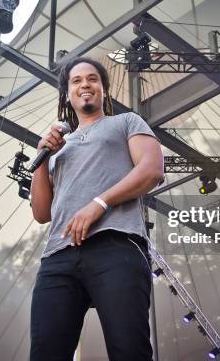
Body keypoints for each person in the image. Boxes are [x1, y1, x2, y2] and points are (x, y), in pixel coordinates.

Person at [29, 57, 164, 361]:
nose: (85, 85)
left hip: (115, 245)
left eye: (92, 79)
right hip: (57, 257)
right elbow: (41, 213)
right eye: (76, 81)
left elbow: (152, 169)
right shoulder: (58, 147)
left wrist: (99, 203)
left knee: (129, 351)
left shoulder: (125, 122)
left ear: (103, 89)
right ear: (67, 93)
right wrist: (42, 156)